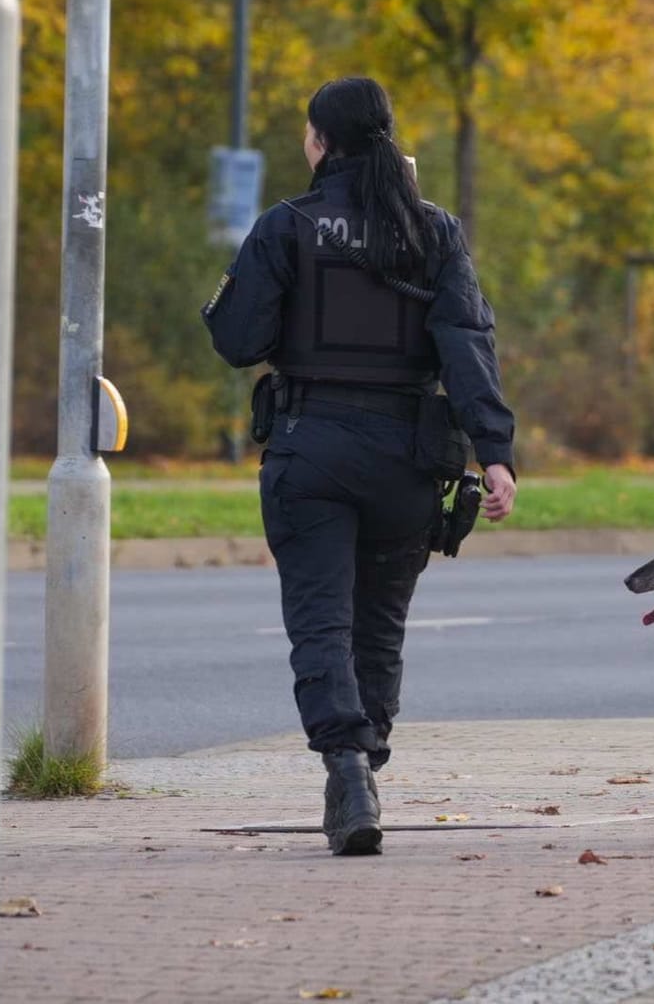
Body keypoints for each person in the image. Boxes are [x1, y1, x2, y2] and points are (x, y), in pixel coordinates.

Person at [202, 77, 517, 856]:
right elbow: (467, 344)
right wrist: (497, 453)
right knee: (378, 626)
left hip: (311, 450)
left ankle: (346, 770)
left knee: (321, 620)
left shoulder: (287, 227)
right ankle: (366, 756)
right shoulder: (434, 231)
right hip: (407, 457)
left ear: (319, 142)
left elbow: (238, 341)